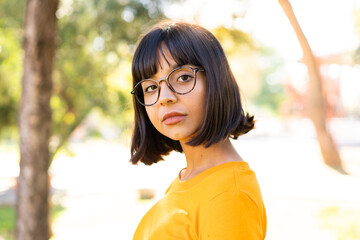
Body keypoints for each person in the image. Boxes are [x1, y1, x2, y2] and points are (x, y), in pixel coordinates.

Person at [130, 21, 267, 240]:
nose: (165, 97)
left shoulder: (229, 195)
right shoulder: (189, 180)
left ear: (216, 80)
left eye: (183, 77)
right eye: (151, 87)